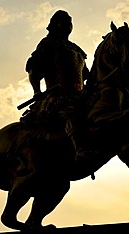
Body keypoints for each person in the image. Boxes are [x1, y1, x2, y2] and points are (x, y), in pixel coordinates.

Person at [24, 10, 92, 162]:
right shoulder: (48, 44)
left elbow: (86, 76)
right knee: (69, 112)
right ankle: (81, 149)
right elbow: (34, 70)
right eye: (64, 21)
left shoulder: (76, 50)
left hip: (79, 96)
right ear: (55, 24)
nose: (68, 24)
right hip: (57, 96)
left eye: (70, 21)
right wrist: (37, 92)